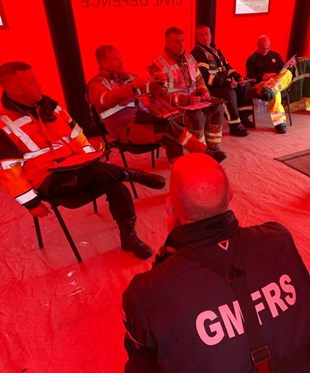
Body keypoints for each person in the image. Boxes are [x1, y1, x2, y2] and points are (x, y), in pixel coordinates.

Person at [122, 153, 310, 373]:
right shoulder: (278, 238)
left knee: (140, 362)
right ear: (230, 195)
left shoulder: (146, 292)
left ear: (170, 207)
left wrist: (170, 257)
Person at [0, 61, 166, 259]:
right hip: (50, 180)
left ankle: (128, 235)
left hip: (80, 168)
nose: (39, 85)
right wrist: (31, 203)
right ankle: (130, 174)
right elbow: (9, 170)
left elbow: (77, 135)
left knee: (116, 186)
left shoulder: (49, 106)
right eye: (32, 82)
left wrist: (90, 159)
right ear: (14, 89)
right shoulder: (4, 123)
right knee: (99, 174)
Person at [87, 45, 226, 164]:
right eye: (115, 59)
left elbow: (150, 88)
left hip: (142, 118)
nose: (121, 62)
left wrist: (158, 82)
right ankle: (204, 154)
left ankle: (183, 171)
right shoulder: (96, 85)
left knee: (171, 135)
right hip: (124, 128)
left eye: (119, 57)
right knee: (168, 129)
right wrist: (132, 88)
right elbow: (106, 100)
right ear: (103, 63)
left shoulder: (126, 77)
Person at [149, 27, 226, 159]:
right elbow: (161, 94)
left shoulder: (190, 58)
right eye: (176, 41)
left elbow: (199, 79)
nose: (181, 44)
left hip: (193, 102)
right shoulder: (158, 64)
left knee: (218, 107)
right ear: (167, 42)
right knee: (196, 117)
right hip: (172, 107)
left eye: (183, 40)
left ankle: (213, 149)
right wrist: (187, 100)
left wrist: (203, 91)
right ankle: (200, 153)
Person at [191, 25, 254, 137]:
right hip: (209, 88)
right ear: (197, 37)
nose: (205, 37)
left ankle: (244, 116)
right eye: (201, 35)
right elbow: (209, 77)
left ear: (211, 35)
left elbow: (226, 67)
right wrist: (228, 83)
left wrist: (238, 77)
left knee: (246, 85)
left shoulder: (215, 50)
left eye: (207, 34)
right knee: (229, 92)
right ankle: (235, 126)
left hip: (221, 83)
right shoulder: (198, 53)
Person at [256, 55, 310, 134]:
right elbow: (252, 77)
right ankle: (280, 124)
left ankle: (269, 91)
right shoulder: (253, 59)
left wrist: (286, 66)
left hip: (280, 79)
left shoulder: (274, 55)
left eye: (266, 48)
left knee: (285, 74)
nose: (265, 50)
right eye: (263, 48)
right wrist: (264, 76)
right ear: (258, 46)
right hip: (267, 83)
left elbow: (282, 68)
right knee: (275, 92)